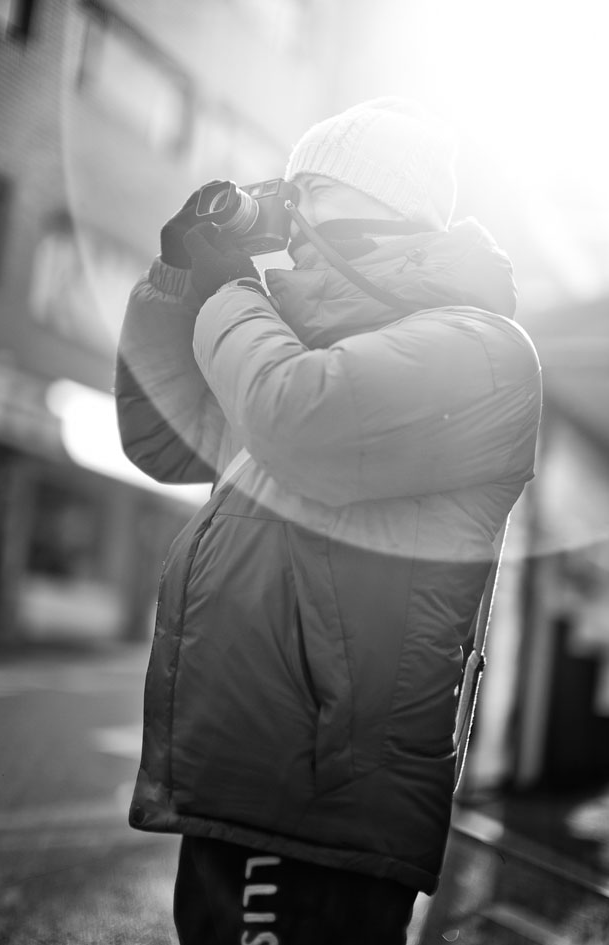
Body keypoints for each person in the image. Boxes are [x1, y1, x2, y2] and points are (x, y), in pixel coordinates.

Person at [115, 98, 542, 944]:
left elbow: (297, 419)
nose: (293, 216)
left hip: (317, 794)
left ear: (387, 207)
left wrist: (232, 285)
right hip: (242, 776)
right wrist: (177, 280)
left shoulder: (482, 351)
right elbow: (162, 438)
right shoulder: (294, 343)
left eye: (312, 190)